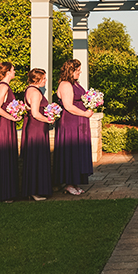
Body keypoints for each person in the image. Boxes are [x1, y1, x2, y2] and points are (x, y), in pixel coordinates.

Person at [55, 59, 94, 196]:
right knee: (71, 150)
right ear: (71, 71)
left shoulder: (75, 84)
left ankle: (76, 181)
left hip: (79, 121)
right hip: (70, 122)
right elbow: (68, 105)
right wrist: (84, 113)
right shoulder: (65, 84)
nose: (80, 72)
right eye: (77, 70)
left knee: (78, 150)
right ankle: (69, 183)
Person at [0, 61, 20, 203]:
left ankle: (9, 191)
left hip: (7, 123)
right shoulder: (3, 86)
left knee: (8, 155)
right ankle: (4, 193)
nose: (14, 72)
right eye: (13, 70)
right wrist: (12, 118)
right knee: (4, 155)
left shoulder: (5, 86)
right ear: (8, 72)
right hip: (4, 124)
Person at [21, 68, 52, 200]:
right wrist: (48, 119)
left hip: (34, 127)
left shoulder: (29, 90)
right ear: (37, 80)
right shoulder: (35, 92)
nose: (46, 80)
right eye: (44, 78)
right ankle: (34, 191)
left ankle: (35, 189)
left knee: (35, 157)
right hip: (37, 128)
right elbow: (35, 113)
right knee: (36, 158)